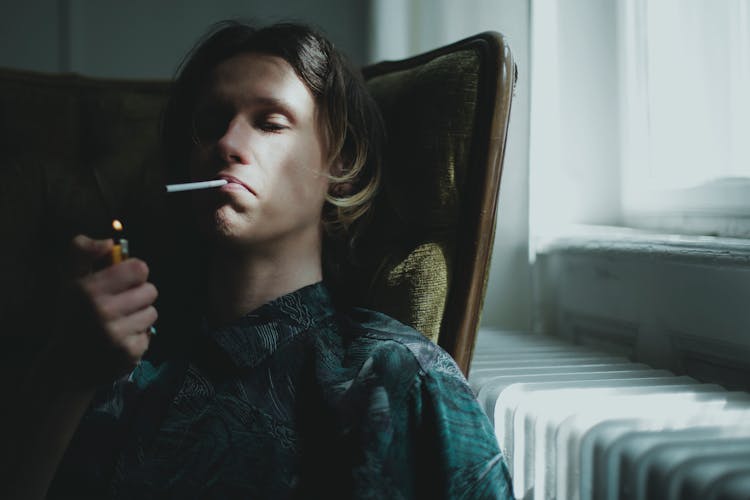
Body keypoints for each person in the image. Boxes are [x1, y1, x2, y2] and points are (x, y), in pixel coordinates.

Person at [6, 20, 513, 499]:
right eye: (209, 124)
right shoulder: (108, 362)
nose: (226, 144)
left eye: (270, 123)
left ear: (342, 166)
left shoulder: (395, 379)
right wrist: (64, 373)